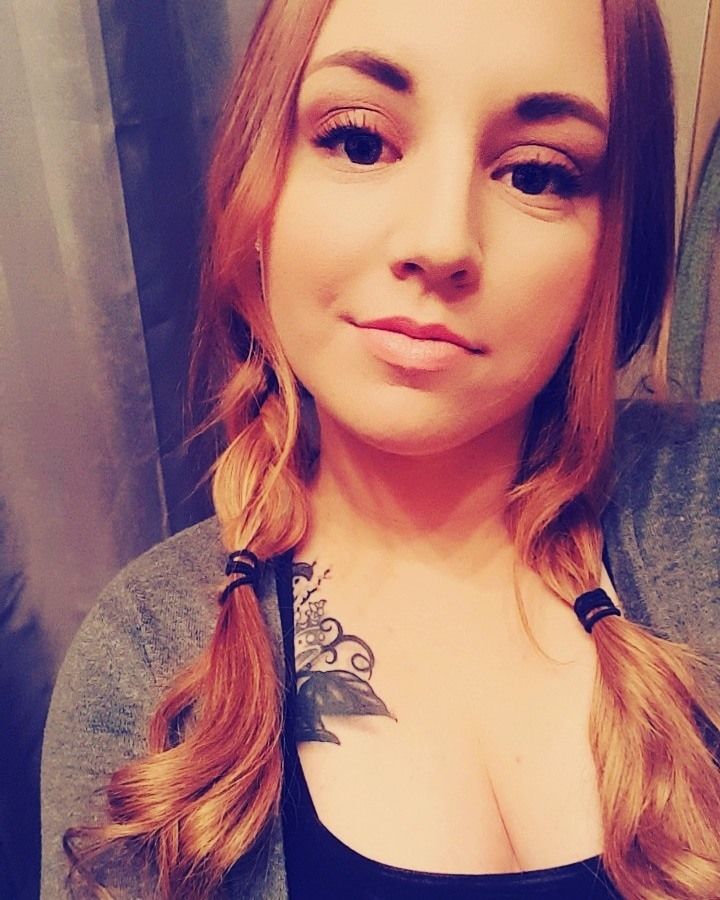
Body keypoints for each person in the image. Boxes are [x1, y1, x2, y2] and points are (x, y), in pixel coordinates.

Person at [40, 0, 720, 898]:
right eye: (360, 142)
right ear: (256, 186)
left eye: (538, 174)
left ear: (615, 249)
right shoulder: (146, 662)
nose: (440, 241)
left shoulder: (697, 505)